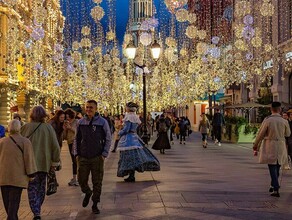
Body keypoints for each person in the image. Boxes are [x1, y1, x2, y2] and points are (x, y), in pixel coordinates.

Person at [20, 105, 60, 220]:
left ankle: (36, 211)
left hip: (29, 165)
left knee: (32, 188)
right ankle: (37, 209)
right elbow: (55, 147)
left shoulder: (25, 128)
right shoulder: (48, 128)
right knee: (41, 188)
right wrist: (55, 162)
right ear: (44, 115)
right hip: (44, 164)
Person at [74, 100, 112, 214]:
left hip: (97, 157)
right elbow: (76, 138)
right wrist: (76, 154)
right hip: (83, 157)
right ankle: (87, 192)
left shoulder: (102, 122)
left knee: (97, 182)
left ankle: (95, 203)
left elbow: (108, 138)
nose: (89, 109)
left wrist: (104, 154)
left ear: (96, 109)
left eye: (91, 107)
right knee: (81, 179)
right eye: (87, 107)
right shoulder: (81, 122)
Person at [0, 119, 37, 220]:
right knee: (13, 204)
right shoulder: (25, 142)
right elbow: (29, 159)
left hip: (3, 178)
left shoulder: (2, 142)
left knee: (8, 205)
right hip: (18, 178)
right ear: (19, 128)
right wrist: (31, 174)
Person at [253, 102, 291, 197]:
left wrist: (256, 144)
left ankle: (276, 187)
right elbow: (288, 134)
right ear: (280, 109)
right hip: (281, 145)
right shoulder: (284, 121)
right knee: (277, 167)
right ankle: (273, 185)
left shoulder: (267, 120)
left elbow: (260, 134)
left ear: (271, 109)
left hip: (270, 145)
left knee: (272, 167)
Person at [117, 102, 160, 182]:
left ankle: (131, 175)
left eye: (126, 107)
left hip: (128, 139)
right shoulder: (135, 117)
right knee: (133, 157)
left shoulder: (129, 117)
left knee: (128, 157)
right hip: (134, 137)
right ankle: (131, 175)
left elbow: (126, 129)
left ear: (129, 108)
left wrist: (120, 132)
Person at [63, 108, 79, 186]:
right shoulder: (67, 123)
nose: (67, 118)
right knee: (73, 161)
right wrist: (65, 129)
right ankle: (74, 177)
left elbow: (77, 132)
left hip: (75, 142)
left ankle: (77, 178)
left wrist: (70, 128)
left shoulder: (76, 122)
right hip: (69, 142)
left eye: (68, 116)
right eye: (66, 116)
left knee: (76, 160)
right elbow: (65, 136)